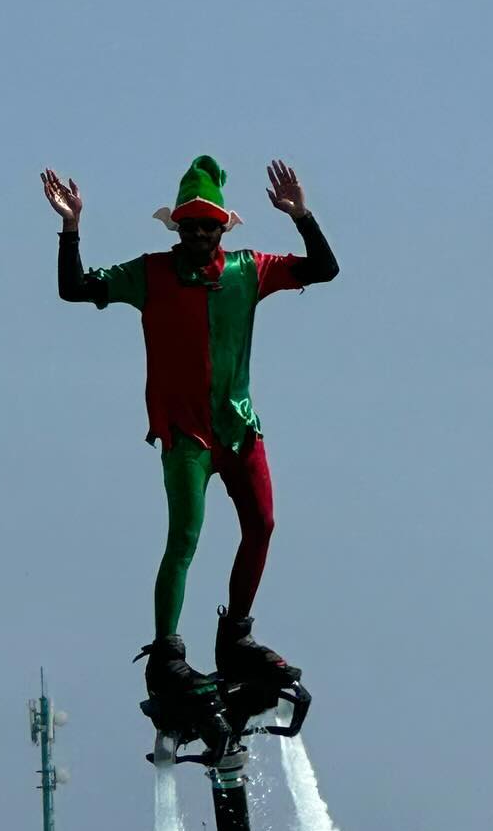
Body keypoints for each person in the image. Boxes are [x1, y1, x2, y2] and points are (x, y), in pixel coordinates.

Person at [44, 155, 338, 711]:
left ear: (223, 227)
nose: (200, 232)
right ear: (177, 227)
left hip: (238, 426)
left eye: (209, 224)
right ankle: (167, 654)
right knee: (184, 539)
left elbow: (324, 269)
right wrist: (71, 228)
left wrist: (302, 215)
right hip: (185, 435)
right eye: (190, 224)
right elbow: (74, 289)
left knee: (263, 523)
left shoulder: (249, 269)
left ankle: (236, 638)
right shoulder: (150, 274)